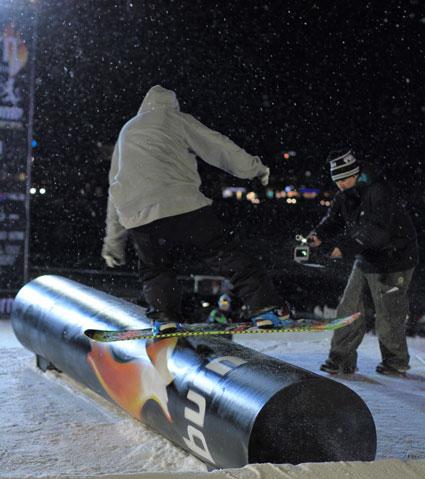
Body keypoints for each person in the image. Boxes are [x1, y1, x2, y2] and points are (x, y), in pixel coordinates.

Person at [102, 85, 290, 335]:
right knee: (224, 253)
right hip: (182, 206)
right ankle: (265, 308)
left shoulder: (127, 131)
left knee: (156, 268)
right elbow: (218, 147)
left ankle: (164, 316)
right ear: (173, 105)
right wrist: (255, 168)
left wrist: (112, 243)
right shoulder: (175, 119)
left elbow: (114, 186)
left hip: (138, 216)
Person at [307, 149, 418, 376]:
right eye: (337, 180)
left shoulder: (379, 191)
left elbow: (378, 231)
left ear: (355, 174)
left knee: (388, 313)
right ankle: (341, 359)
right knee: (349, 309)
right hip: (366, 257)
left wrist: (344, 248)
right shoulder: (344, 195)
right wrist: (318, 234)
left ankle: (395, 362)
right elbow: (334, 220)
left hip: (394, 259)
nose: (341, 185)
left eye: (345, 179)